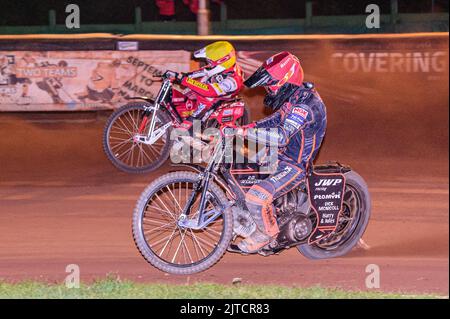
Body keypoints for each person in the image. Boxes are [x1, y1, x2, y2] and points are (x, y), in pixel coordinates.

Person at [235, 51, 327, 253]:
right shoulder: (293, 97)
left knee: (256, 196)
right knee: (231, 163)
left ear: (286, 80)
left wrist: (245, 132)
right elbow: (276, 120)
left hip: (294, 164)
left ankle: (268, 234)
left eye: (271, 85)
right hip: (276, 154)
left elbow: (282, 135)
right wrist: (246, 129)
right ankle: (248, 219)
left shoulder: (305, 105)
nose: (269, 90)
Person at [174, 41, 244, 131]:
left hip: (213, 99)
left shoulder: (232, 81)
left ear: (222, 61)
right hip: (208, 89)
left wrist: (185, 80)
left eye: (211, 62)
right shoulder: (226, 66)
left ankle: (193, 136)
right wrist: (183, 76)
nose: (209, 64)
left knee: (185, 129)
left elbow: (209, 91)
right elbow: (205, 71)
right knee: (180, 98)